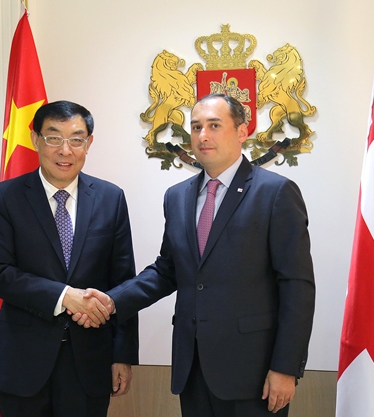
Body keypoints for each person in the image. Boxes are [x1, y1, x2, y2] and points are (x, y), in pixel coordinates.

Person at [78, 94, 315, 416]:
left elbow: (297, 286)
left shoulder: (275, 192)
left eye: (214, 126)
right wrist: (111, 300)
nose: (203, 136)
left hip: (255, 371)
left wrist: (286, 367)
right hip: (193, 368)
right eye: (196, 127)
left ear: (242, 131)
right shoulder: (177, 197)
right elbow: (167, 271)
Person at [0, 100, 138, 417]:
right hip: (22, 361)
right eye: (54, 138)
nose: (65, 150)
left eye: (76, 139)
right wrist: (65, 296)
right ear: (35, 139)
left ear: (88, 144)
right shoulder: (6, 197)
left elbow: (124, 283)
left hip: (90, 361)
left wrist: (123, 354)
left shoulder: (111, 198)